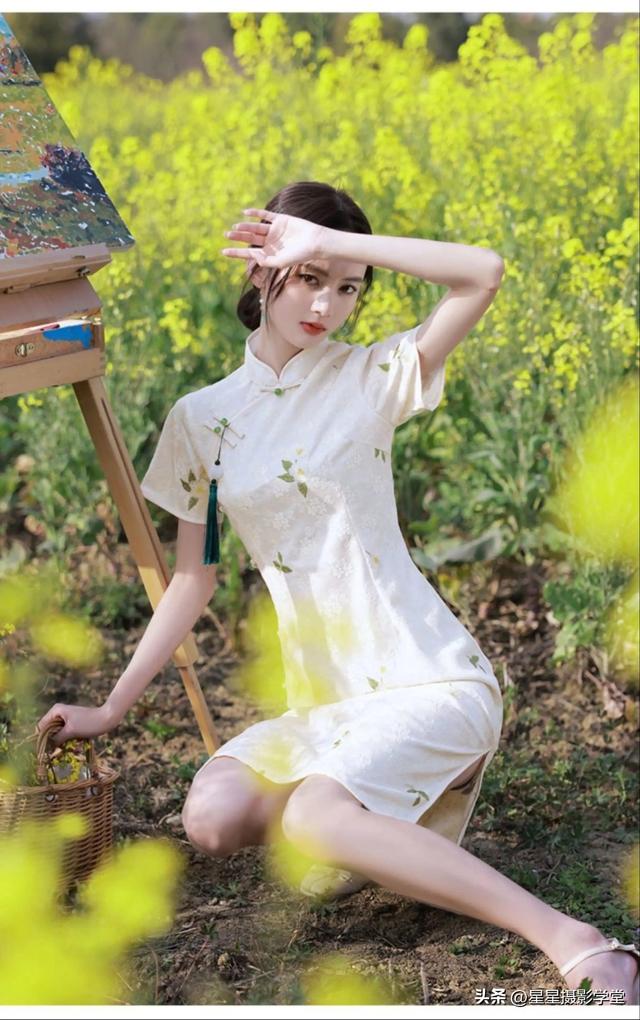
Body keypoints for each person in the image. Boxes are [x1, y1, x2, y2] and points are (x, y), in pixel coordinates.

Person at [36, 181, 639, 1004]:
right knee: (211, 817)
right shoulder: (202, 420)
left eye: (347, 287)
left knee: (311, 818)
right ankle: (373, 832)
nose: (327, 305)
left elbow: (483, 272)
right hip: (326, 706)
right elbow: (193, 578)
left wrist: (326, 243)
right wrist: (112, 707)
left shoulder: (372, 377)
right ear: (261, 274)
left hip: (430, 678)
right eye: (309, 280)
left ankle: (576, 940)